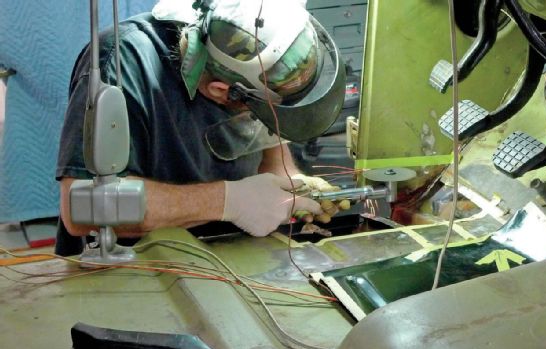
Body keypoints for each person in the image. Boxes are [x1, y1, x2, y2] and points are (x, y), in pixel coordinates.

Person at [55, 0, 345, 256]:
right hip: (138, 269)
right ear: (222, 91)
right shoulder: (122, 62)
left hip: (228, 257)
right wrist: (228, 201)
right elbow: (82, 208)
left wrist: (295, 188)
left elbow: (273, 162)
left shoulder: (257, 63)